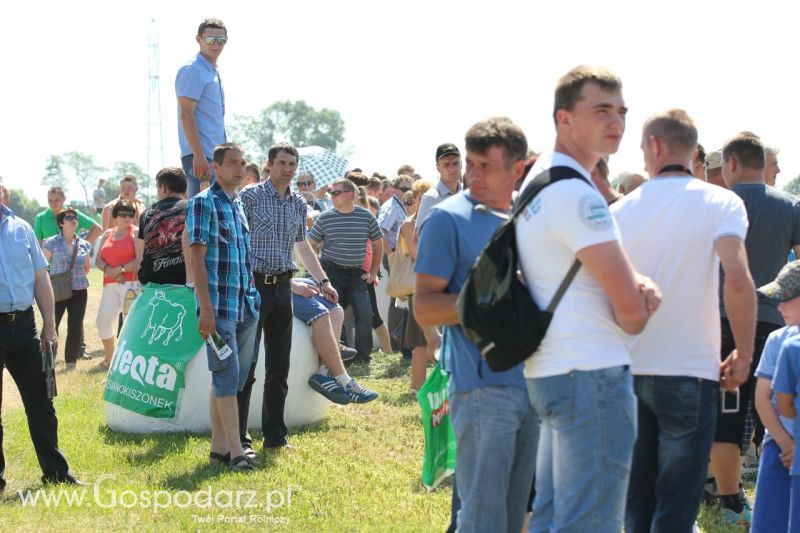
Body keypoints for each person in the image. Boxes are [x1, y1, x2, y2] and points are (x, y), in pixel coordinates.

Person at [516, 65, 660, 531]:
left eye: (621, 111)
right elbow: (632, 316)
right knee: (591, 523)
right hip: (591, 374)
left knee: (553, 517)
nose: (616, 121)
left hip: (552, 370)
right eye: (601, 110)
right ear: (564, 120)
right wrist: (644, 298)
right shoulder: (578, 195)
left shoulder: (540, 176)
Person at [612, 109, 756, 531]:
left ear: (656, 146)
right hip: (692, 371)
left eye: (641, 148)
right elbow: (739, 278)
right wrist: (743, 355)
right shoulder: (721, 201)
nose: (641, 158)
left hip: (630, 368)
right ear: (693, 150)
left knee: (637, 502)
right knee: (677, 505)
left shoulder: (620, 212)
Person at [415, 117, 538, 532]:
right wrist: (489, 298)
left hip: (537, 386)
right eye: (472, 163)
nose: (474, 174)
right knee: (483, 519)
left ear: (517, 168)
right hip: (483, 389)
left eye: (488, 165)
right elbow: (426, 309)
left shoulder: (532, 218)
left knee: (514, 517)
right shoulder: (447, 219)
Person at [709, 131, 800, 525]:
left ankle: (730, 503)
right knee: (777, 412)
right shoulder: (791, 206)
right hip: (774, 322)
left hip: (720, 323)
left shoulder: (713, 205)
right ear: (762, 163)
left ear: (730, 164)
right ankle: (779, 491)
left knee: (726, 415)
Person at [239, 142, 338, 451]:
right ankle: (240, 437)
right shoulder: (250, 197)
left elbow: (302, 246)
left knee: (279, 367)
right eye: (281, 162)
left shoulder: (298, 203)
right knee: (247, 365)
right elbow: (239, 244)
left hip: (284, 287)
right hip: (253, 286)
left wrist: (323, 281)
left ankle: (275, 436)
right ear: (269, 165)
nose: (287, 169)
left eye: (292, 163)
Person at [0, 178, 82, 488]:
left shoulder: (21, 228)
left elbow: (40, 277)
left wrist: (50, 325)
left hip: (24, 326)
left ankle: (56, 473)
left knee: (41, 402)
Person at [188, 143, 259, 471]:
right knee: (227, 377)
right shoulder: (204, 203)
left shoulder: (238, 204)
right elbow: (196, 258)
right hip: (217, 308)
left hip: (245, 305)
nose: (240, 169)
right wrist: (205, 308)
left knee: (229, 380)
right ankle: (236, 453)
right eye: (232, 163)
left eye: (242, 163)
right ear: (215, 167)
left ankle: (218, 449)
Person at [308, 178, 384, 364]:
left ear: (350, 195)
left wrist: (373, 272)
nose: (331, 196)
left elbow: (378, 244)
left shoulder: (366, 216)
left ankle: (363, 358)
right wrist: (320, 273)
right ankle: (341, 358)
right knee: (336, 314)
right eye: (332, 193)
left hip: (357, 274)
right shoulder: (325, 218)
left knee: (365, 315)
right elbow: (309, 244)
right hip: (331, 273)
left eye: (336, 193)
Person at [750, 261, 800, 532]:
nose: (778, 307)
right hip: (778, 450)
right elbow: (762, 398)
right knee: (770, 523)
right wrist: (785, 443)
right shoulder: (777, 339)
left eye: (785, 299)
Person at [292, 278, 378, 404]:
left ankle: (324, 372)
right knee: (320, 313)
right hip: (274, 285)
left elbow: (306, 256)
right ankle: (344, 380)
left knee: (336, 310)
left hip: (288, 279)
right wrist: (293, 285)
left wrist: (324, 283)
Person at [176, 18, 228, 198]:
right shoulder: (193, 70)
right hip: (201, 156)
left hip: (216, 156)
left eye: (220, 40)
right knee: (200, 215)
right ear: (199, 39)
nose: (216, 44)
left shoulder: (212, 71)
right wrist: (198, 155)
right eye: (210, 39)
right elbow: (186, 113)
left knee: (215, 216)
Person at [398, 179, 438, 392]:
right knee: (420, 342)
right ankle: (417, 386)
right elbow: (418, 255)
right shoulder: (408, 225)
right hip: (419, 287)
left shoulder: (438, 220)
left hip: (440, 287)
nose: (425, 203)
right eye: (421, 199)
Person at [41, 209, 93, 370]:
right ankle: (48, 358)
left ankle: (71, 362)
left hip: (79, 290)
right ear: (61, 223)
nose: (74, 220)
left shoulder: (84, 244)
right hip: (57, 290)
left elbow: (87, 267)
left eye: (75, 218)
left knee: (75, 325)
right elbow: (42, 267)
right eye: (70, 217)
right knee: (51, 324)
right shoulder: (50, 243)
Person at [94, 200, 143, 367]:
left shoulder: (136, 233)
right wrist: (111, 272)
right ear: (114, 217)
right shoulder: (107, 234)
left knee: (130, 322)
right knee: (103, 320)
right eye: (123, 214)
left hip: (131, 284)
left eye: (131, 214)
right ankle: (110, 358)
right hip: (110, 283)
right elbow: (98, 260)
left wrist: (120, 270)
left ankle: (130, 360)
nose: (127, 218)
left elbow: (140, 260)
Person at [137, 167, 189, 286]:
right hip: (186, 283)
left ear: (164, 187)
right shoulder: (194, 208)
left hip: (153, 285)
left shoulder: (146, 214)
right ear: (185, 189)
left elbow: (143, 250)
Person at [414, 143, 463, 230]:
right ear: (438, 167)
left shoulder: (469, 193)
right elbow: (417, 239)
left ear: (461, 164)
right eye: (446, 164)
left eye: (455, 163)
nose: (452, 168)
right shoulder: (430, 198)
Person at [34, 186, 102, 245]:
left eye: (57, 200)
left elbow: (98, 229)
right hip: (48, 259)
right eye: (50, 200)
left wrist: (82, 247)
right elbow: (38, 244)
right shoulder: (40, 218)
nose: (53, 203)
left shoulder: (74, 215)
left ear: (64, 199)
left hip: (73, 259)